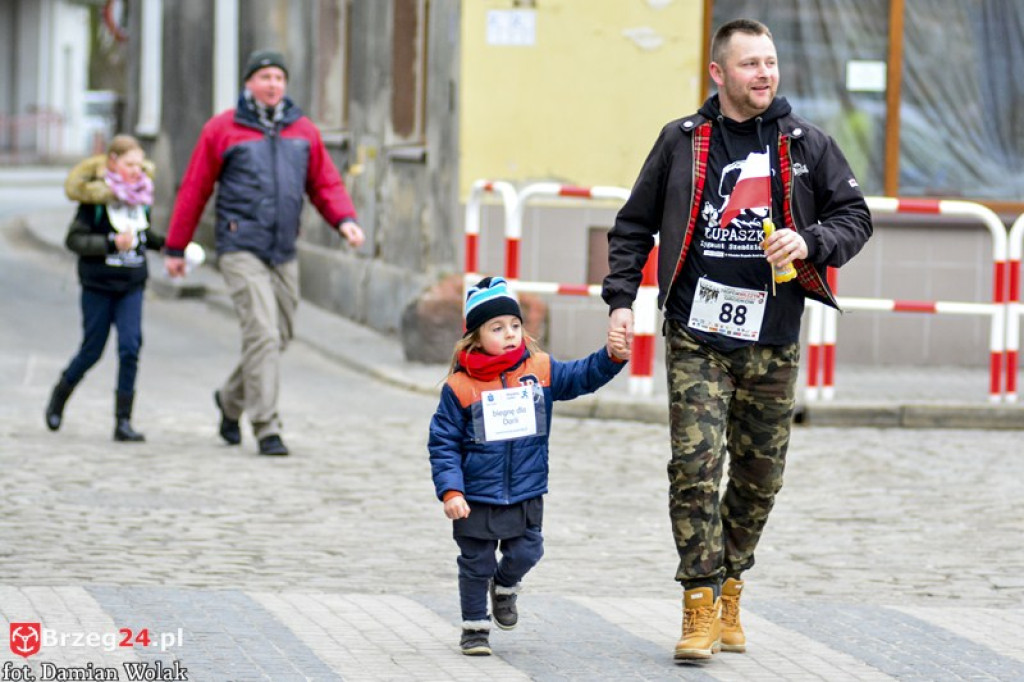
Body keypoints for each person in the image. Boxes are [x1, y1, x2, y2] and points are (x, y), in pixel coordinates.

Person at [602, 19, 872, 661]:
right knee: (695, 469)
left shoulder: (805, 144)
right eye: (750, 64)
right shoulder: (683, 142)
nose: (765, 74)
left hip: (773, 337)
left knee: (759, 477)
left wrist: (811, 241)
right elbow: (633, 226)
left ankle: (730, 583)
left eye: (771, 62)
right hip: (697, 331)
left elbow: (855, 217)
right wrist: (620, 301)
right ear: (719, 73)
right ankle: (698, 602)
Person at [163, 49, 365, 457]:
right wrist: (176, 245)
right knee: (262, 333)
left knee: (280, 335)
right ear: (248, 83)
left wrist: (344, 220)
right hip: (240, 247)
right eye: (265, 77)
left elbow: (324, 184)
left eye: (279, 77)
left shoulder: (302, 131)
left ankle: (229, 400)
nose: (273, 84)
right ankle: (266, 426)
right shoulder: (223, 130)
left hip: (283, 249)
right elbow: (194, 188)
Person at [428, 276, 630, 656]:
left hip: (526, 490)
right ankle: (474, 629)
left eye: (515, 326)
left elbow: (582, 376)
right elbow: (443, 443)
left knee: (527, 551)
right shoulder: (459, 386)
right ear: (475, 336)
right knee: (476, 563)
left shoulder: (540, 369)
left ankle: (504, 587)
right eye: (497, 327)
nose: (509, 334)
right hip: (476, 494)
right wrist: (451, 490)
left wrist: (612, 356)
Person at [45, 134, 163, 442]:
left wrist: (174, 246)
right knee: (92, 350)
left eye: (140, 165)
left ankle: (123, 421)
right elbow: (74, 240)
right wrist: (110, 242)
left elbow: (145, 235)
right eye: (129, 164)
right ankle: (60, 395)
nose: (136, 171)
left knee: (130, 347)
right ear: (112, 163)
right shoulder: (95, 203)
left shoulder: (141, 198)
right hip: (98, 284)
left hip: (132, 284)